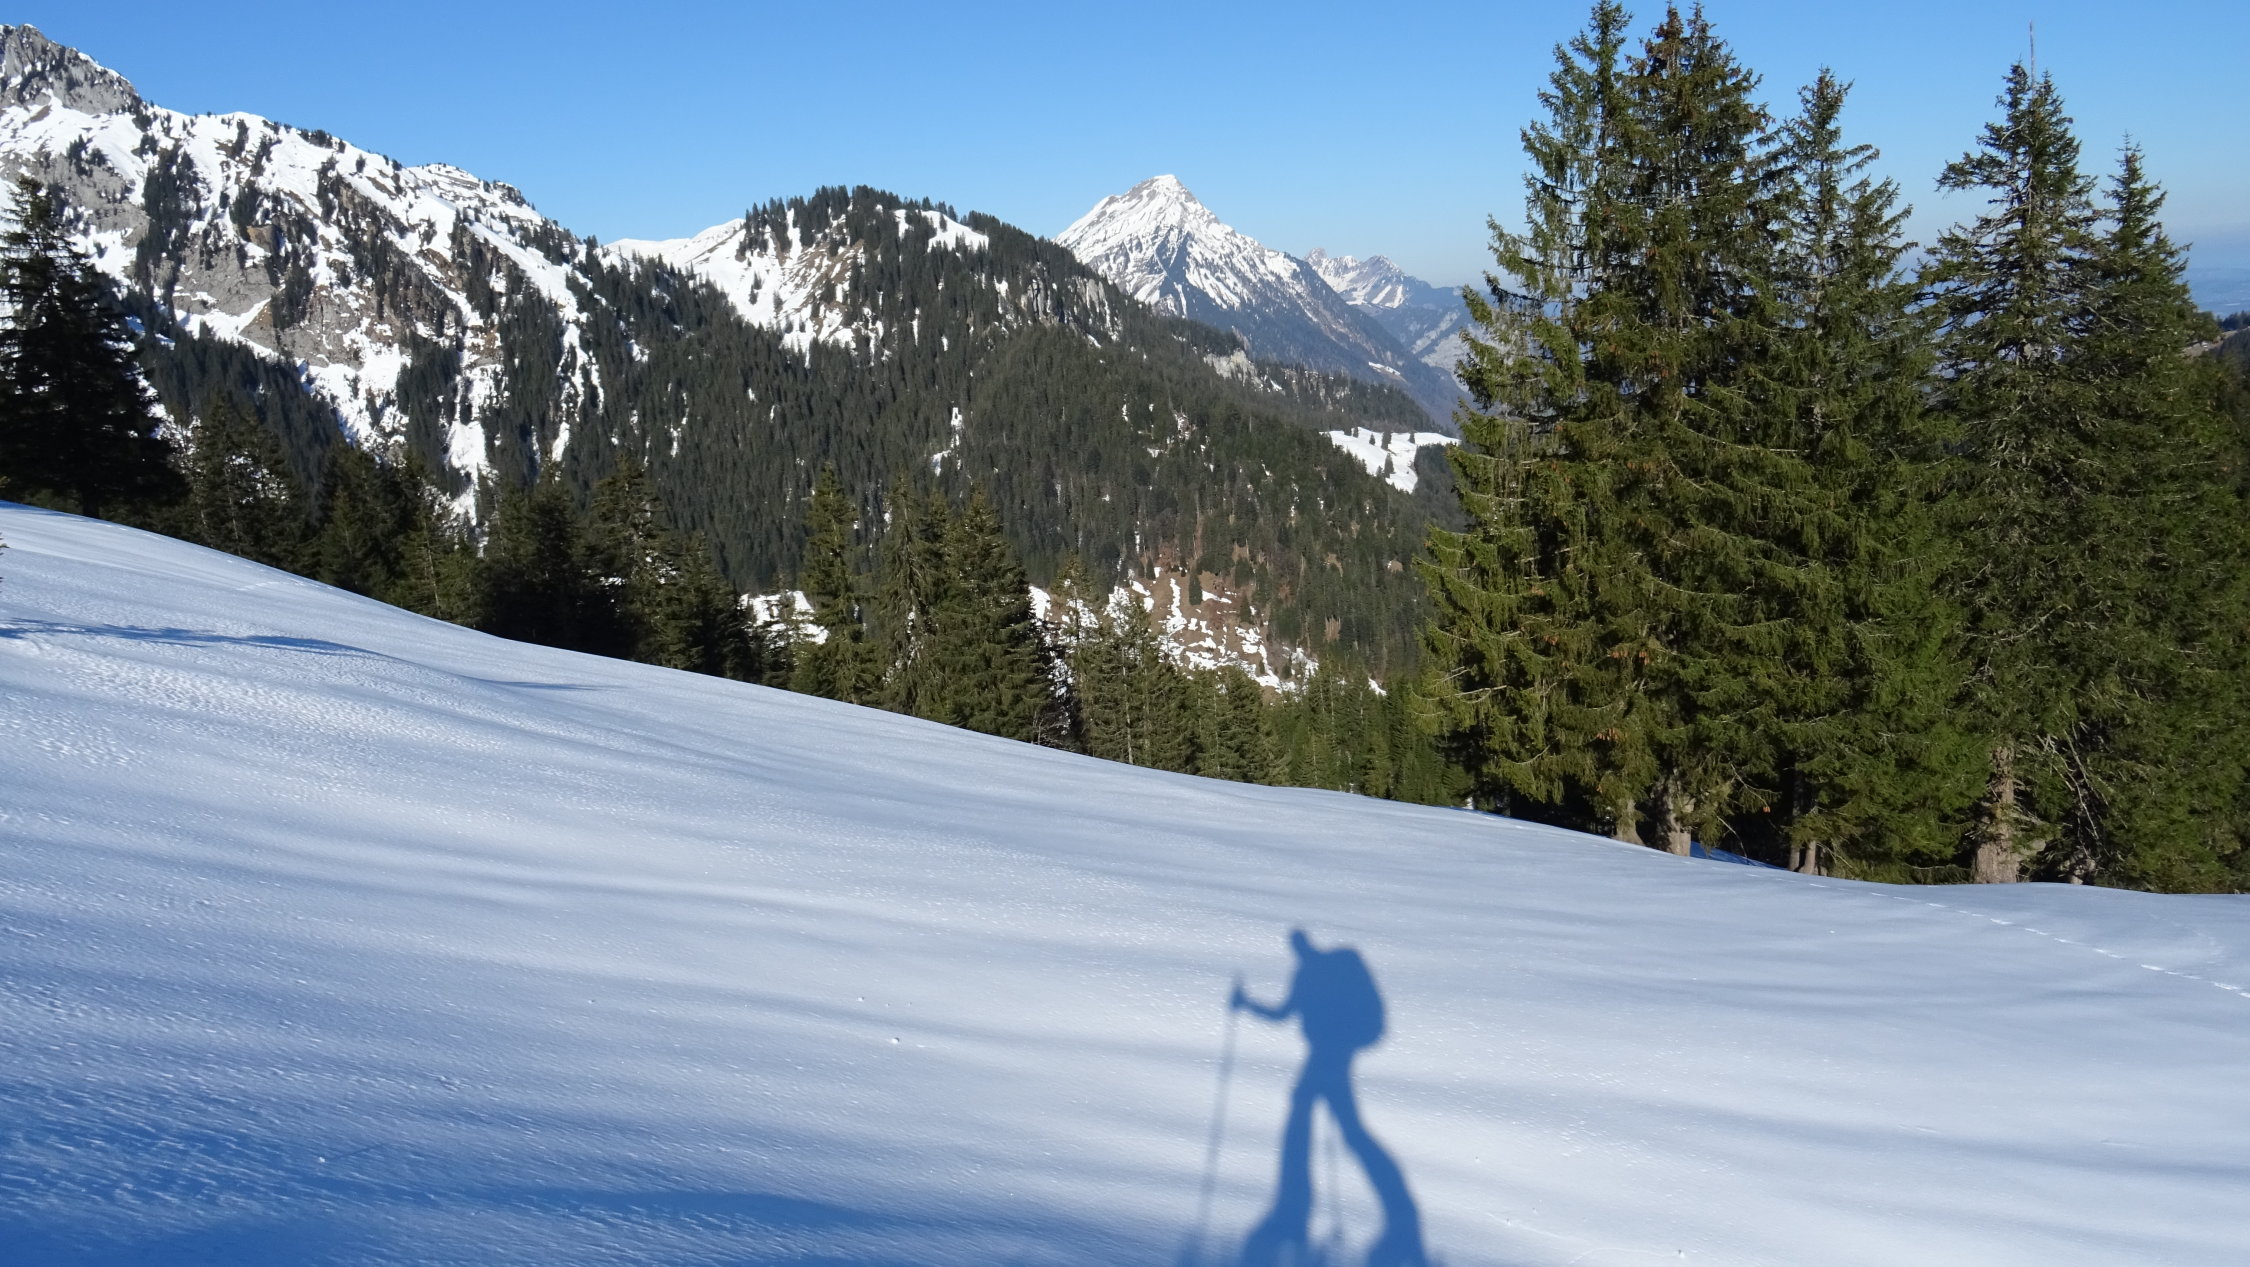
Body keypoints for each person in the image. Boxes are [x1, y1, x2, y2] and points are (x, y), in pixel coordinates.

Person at [1231, 928, 1425, 1267]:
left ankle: (1295, 1205)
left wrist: (1246, 1004)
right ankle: (1306, 1201)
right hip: (1329, 1053)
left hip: (1330, 1054)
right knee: (1333, 1120)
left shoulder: (1326, 969)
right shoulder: (1312, 972)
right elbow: (1284, 1013)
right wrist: (1248, 1004)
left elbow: (1285, 1014)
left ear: (1304, 945)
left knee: (1325, 1117)